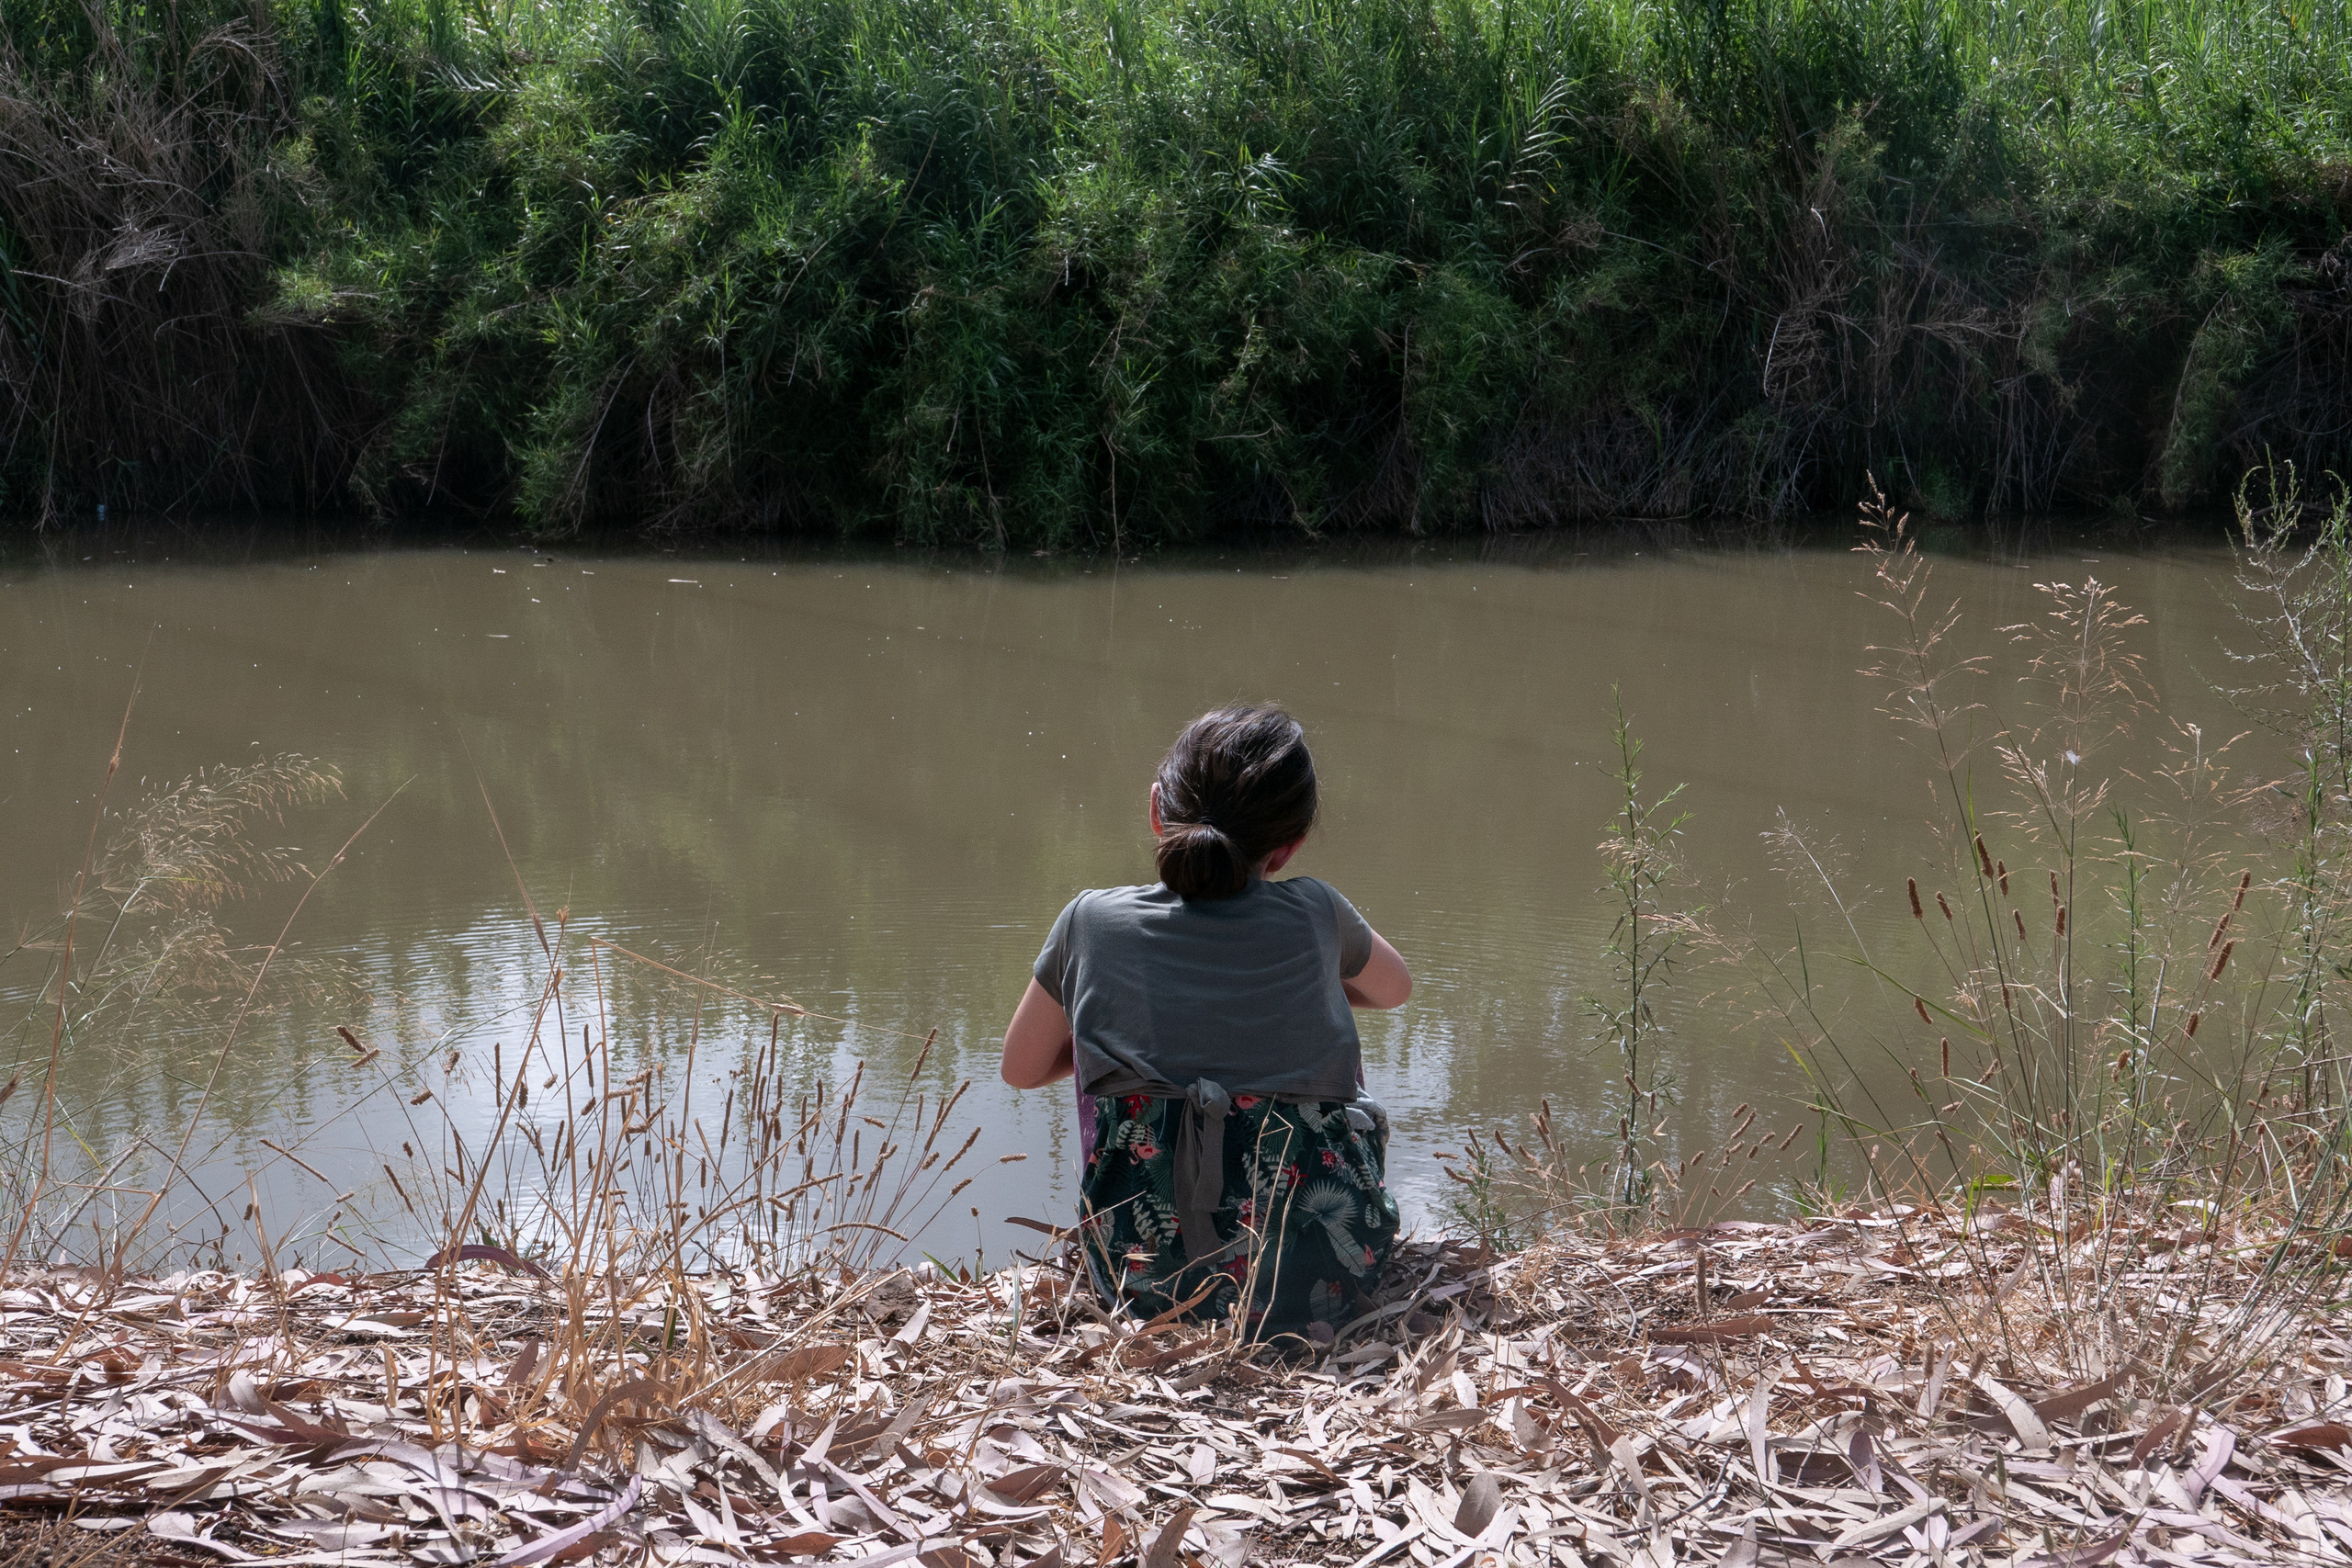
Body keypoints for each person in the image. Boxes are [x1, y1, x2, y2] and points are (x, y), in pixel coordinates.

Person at [999, 703, 1412, 1335]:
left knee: (1108, 1059)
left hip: (1137, 1277)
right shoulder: (1318, 911)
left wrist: (1097, 1042)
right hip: (1322, 1278)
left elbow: (1022, 1069)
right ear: (1290, 846)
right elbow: (1393, 990)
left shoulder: (1089, 922)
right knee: (1339, 1050)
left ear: (1158, 809)